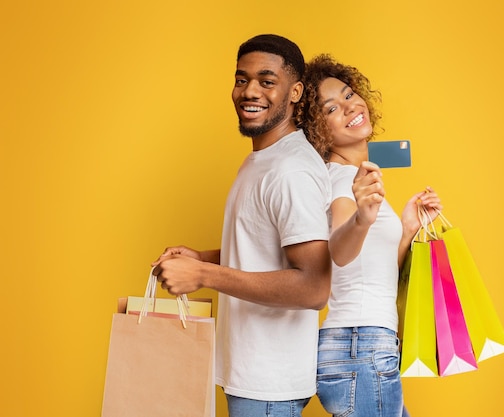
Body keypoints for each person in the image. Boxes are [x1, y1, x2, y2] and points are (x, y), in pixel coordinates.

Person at [152, 34, 332, 417]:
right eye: (241, 79)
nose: (250, 91)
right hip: (252, 375)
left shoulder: (291, 169)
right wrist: (202, 258)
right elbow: (265, 246)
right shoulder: (265, 158)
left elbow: (314, 286)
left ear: (295, 91)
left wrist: (203, 273)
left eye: (267, 81)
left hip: (268, 384)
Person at [296, 54, 443, 417]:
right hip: (360, 348)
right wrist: (362, 217)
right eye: (332, 108)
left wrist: (407, 229)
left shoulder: (354, 176)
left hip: (361, 347)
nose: (350, 107)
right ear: (318, 128)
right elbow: (340, 253)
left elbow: (366, 270)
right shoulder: (342, 181)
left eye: (348, 95)